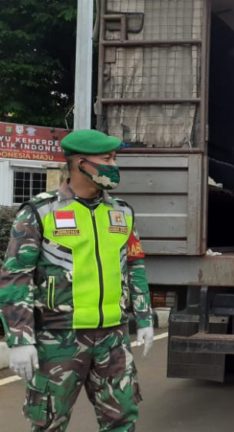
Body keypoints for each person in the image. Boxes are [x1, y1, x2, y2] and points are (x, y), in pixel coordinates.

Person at [0, 129, 154, 431]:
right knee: (49, 423)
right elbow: (15, 277)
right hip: (59, 339)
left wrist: (145, 318)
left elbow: (134, 266)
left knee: (123, 420)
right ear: (81, 162)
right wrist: (19, 339)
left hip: (113, 337)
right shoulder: (40, 212)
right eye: (107, 158)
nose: (114, 164)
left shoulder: (121, 212)